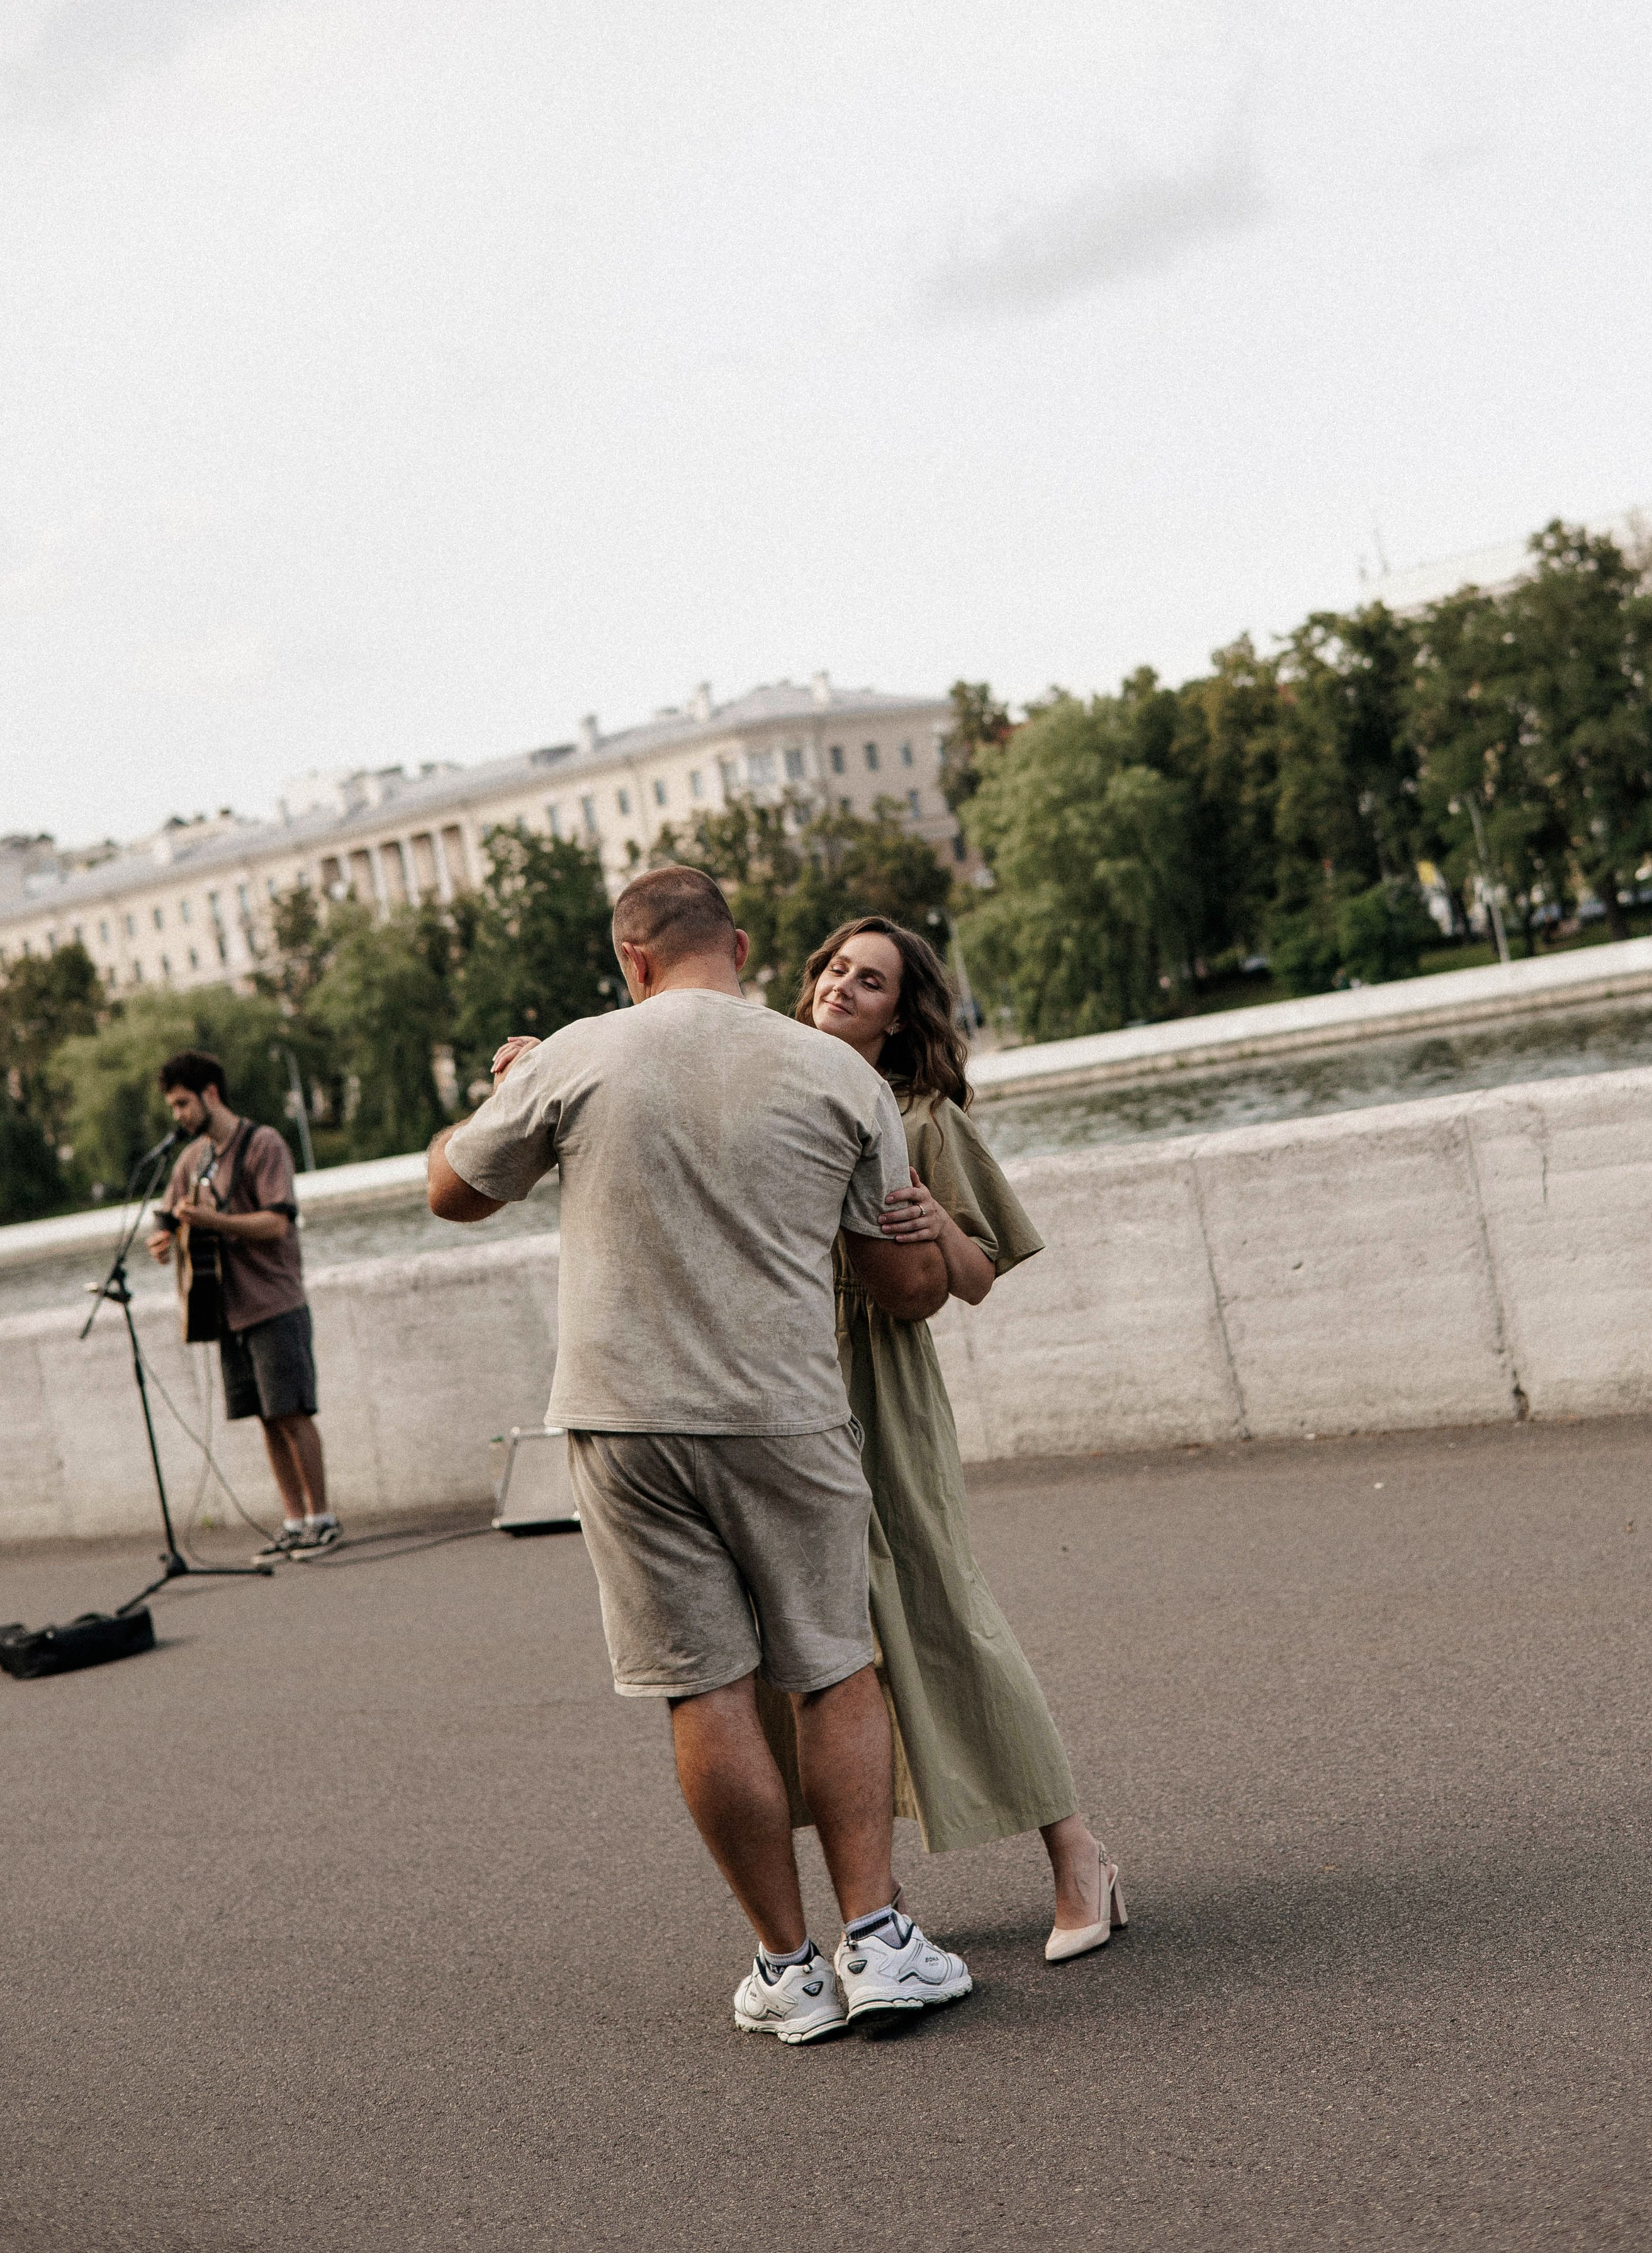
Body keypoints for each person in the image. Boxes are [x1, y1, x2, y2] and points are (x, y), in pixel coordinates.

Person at [427, 864, 976, 2045]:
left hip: (624, 1420)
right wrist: (933, 1247)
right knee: (834, 1666)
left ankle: (786, 1968)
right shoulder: (835, 1071)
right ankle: (877, 1942)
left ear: (631, 958)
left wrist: (511, 1090)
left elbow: (452, 1191)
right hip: (784, 1412)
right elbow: (900, 1286)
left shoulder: (577, 1053)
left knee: (704, 1683)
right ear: (740, 944)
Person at [785, 915, 1125, 1965]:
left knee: (944, 1609)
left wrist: (932, 1219)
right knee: (832, 1642)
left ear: (900, 1015)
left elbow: (977, 1281)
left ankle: (1080, 1857)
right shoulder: (774, 1093)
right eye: (837, 969)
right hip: (784, 1385)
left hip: (881, 1382)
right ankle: (875, 1905)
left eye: (872, 981)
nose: (845, 986)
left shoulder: (919, 1114)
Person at [143, 1049, 339, 1559]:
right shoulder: (192, 1159)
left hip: (274, 1301)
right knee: (265, 1419)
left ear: (211, 1093)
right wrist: (163, 1240)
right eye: (173, 1107)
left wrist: (214, 1223)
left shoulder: (262, 1143)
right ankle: (294, 1521)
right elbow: (167, 1216)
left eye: (184, 1103)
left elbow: (278, 1221)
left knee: (293, 1412)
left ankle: (323, 1518)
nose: (178, 1116)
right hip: (226, 1309)